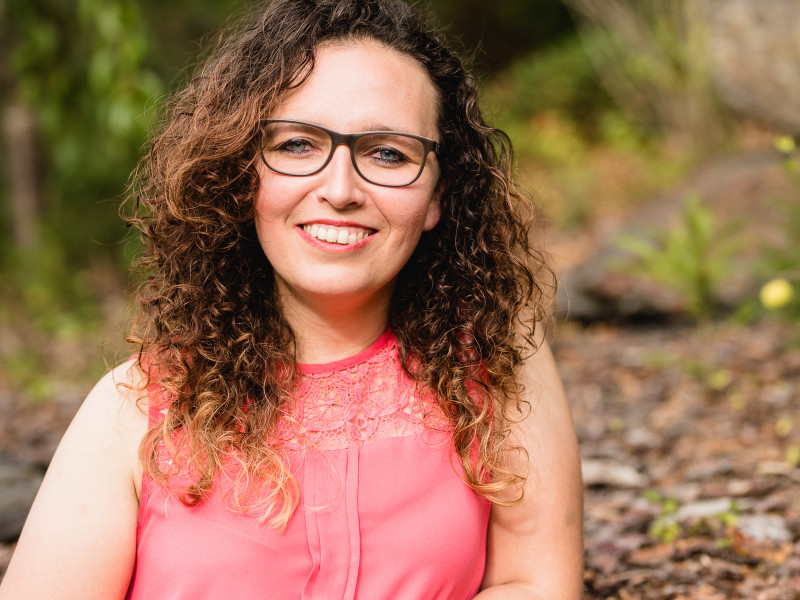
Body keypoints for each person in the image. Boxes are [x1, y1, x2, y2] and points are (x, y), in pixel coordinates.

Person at [0, 0, 583, 598]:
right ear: (241, 171)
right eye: (299, 144)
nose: (339, 190)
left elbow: (535, 581)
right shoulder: (133, 412)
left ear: (437, 195)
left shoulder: (497, 367)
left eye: (388, 153)